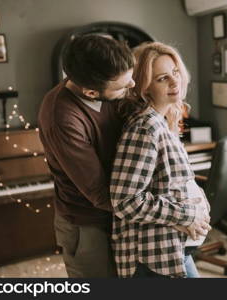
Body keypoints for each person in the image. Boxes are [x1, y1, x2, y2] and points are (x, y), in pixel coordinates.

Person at [110, 42, 211, 278]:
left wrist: (199, 205)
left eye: (175, 72)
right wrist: (186, 215)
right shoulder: (145, 128)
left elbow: (170, 184)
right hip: (154, 259)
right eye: (162, 78)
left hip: (173, 250)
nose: (175, 82)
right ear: (144, 88)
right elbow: (126, 201)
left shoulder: (163, 120)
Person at [37, 34, 135, 278]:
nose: (132, 85)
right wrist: (161, 212)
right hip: (87, 224)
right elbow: (99, 193)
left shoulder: (109, 87)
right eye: (123, 86)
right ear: (91, 93)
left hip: (120, 211)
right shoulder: (62, 118)